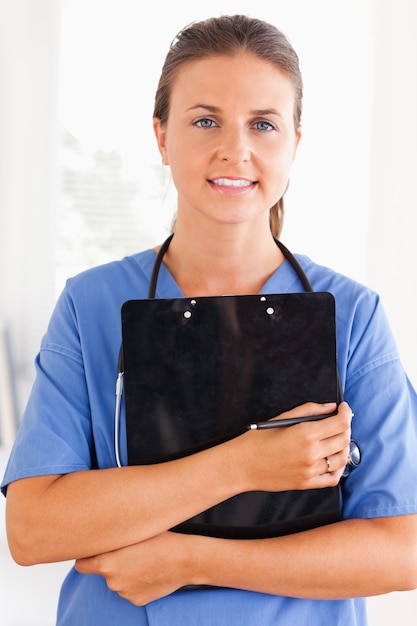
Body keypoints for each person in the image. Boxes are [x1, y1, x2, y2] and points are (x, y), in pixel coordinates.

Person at [2, 14, 417, 626]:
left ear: (295, 142)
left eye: (264, 125)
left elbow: (402, 549)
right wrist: (246, 463)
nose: (235, 149)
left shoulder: (352, 316)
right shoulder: (92, 305)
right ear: (161, 135)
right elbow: (33, 529)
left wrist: (192, 560)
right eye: (204, 120)